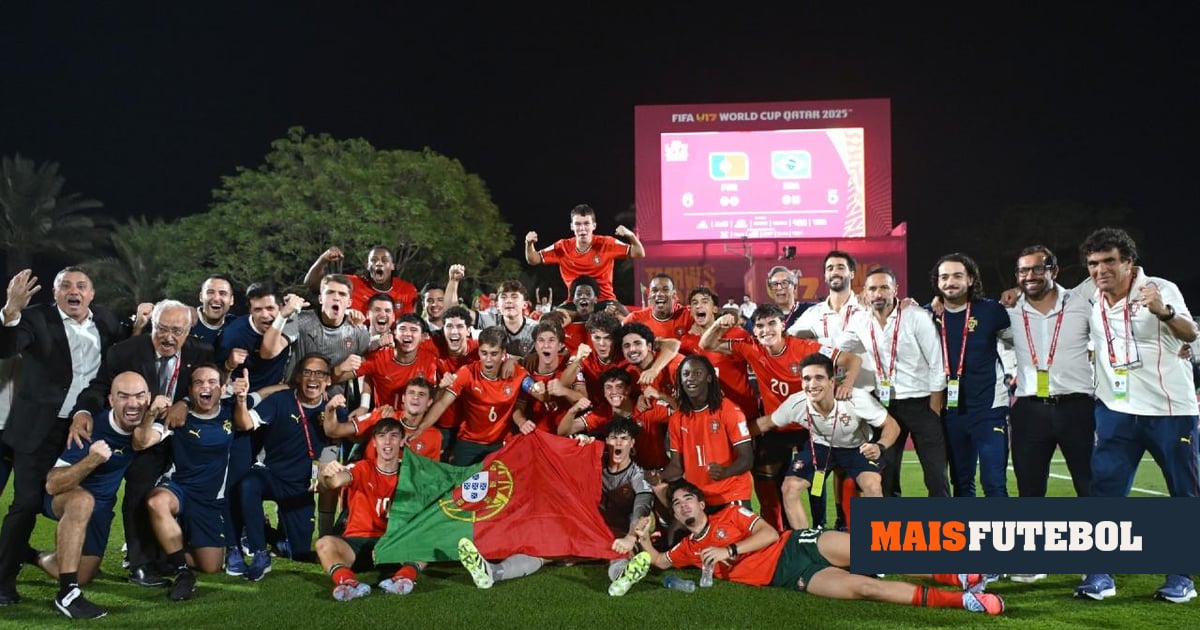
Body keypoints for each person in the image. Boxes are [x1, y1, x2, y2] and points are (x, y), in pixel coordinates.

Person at [630, 479, 1005, 615]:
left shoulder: (730, 513)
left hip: (798, 546)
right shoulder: (688, 549)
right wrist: (643, 538)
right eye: (677, 504)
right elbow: (661, 562)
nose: (683, 506)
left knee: (873, 551)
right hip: (790, 577)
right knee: (866, 587)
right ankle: (964, 601)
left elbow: (769, 535)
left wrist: (729, 552)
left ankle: (961, 574)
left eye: (687, 499)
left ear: (699, 502)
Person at [1073, 227, 1199, 603]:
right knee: (1104, 495)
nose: (1101, 270)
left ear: (1129, 262)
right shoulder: (1090, 295)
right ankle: (1100, 573)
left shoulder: (1161, 288)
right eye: (1094, 263)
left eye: (1109, 261)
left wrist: (1164, 312)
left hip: (1170, 411)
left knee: (1183, 494)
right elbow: (1052, 299)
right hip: (1116, 412)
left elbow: (1190, 333)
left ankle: (1180, 576)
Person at [69, 299, 216, 589]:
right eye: (161, 328)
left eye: (177, 330)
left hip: (166, 438)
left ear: (188, 331)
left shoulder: (201, 353)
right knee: (112, 496)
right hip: (123, 436)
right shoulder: (125, 352)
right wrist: (83, 412)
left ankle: (148, 560)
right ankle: (113, 561)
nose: (168, 337)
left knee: (147, 495)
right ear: (152, 324)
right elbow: (99, 387)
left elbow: (206, 387)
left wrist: (184, 402)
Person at [0, 267, 124, 606]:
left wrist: (85, 410)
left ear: (92, 294)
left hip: (82, 428)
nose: (74, 291)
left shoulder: (107, 322)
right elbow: (6, 347)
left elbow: (107, 374)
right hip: (37, 429)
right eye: (65, 286)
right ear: (54, 294)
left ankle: (74, 570)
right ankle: (4, 581)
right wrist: (11, 311)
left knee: (84, 498)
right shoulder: (36, 318)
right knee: (25, 504)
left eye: (81, 286)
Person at [700, 305, 861, 531]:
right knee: (766, 478)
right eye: (760, 326)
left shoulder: (804, 348)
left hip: (808, 427)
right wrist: (719, 324)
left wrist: (847, 383)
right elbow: (706, 344)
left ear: (782, 325)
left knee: (816, 479)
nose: (766, 330)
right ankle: (782, 531)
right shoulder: (751, 348)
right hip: (776, 426)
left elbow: (851, 359)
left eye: (772, 324)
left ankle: (820, 525)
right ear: (754, 331)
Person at [456, 418, 654, 597]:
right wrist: (578, 447)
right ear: (606, 440)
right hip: (582, 527)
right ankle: (492, 573)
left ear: (632, 443)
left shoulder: (637, 474)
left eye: (624, 438)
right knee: (543, 548)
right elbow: (563, 461)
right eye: (613, 438)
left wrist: (629, 537)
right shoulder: (592, 459)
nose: (618, 443)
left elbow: (643, 503)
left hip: (614, 533)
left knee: (620, 551)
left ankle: (622, 577)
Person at [37, 372, 150, 618]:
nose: (133, 403)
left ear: (148, 398)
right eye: (124, 396)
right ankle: (67, 595)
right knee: (82, 500)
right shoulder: (91, 428)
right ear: (111, 400)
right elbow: (52, 484)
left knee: (84, 574)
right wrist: (91, 461)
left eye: (140, 396)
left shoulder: (146, 427)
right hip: (67, 498)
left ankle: (26, 554)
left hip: (101, 510)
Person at [136, 365, 253, 601]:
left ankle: (164, 547)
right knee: (157, 502)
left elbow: (249, 422)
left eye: (211, 382)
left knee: (210, 566)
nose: (205, 387)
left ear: (222, 389)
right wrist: (150, 414)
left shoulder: (230, 410)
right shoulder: (178, 416)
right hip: (179, 488)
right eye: (199, 382)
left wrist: (242, 398)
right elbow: (141, 442)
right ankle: (181, 571)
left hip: (209, 501)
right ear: (190, 390)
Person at [751, 353, 900, 529]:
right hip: (821, 449)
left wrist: (879, 446)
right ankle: (806, 543)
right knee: (789, 488)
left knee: (873, 487)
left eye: (819, 378)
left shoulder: (856, 399)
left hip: (857, 448)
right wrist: (732, 434)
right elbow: (765, 423)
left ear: (832, 381)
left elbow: (892, 426)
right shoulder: (796, 403)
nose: (812, 384)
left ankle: (878, 542)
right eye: (806, 379)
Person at [838, 267, 949, 499]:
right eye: (873, 289)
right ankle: (892, 529)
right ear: (865, 294)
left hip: (922, 403)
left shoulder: (916, 316)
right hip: (884, 408)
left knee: (936, 476)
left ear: (895, 290)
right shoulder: (859, 320)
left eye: (884, 288)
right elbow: (838, 349)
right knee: (886, 476)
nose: (878, 294)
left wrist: (934, 408)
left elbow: (937, 363)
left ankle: (943, 530)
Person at [239, 353, 348, 580]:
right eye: (307, 372)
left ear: (328, 380)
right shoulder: (281, 400)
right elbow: (245, 423)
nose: (313, 378)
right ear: (299, 376)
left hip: (302, 486)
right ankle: (260, 553)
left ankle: (271, 534)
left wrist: (320, 475)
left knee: (299, 553)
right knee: (249, 484)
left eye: (320, 374)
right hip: (271, 475)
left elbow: (332, 445)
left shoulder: (334, 407)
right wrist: (241, 400)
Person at [1003, 246, 1094, 498]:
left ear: (1054, 270)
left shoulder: (1080, 303)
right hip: (1029, 411)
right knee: (1029, 490)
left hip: (1077, 408)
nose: (1029, 275)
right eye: (1023, 270)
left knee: (1090, 486)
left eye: (1037, 269)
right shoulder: (1008, 311)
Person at [930, 253, 1012, 498]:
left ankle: (1001, 535)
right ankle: (966, 535)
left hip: (989, 408)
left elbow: (1016, 341)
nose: (950, 282)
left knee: (994, 483)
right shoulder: (927, 315)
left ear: (971, 280)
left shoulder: (992, 311)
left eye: (957, 276)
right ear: (937, 282)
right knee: (961, 484)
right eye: (944, 277)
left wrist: (1017, 291)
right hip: (951, 412)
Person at [315, 418, 416, 600]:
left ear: (402, 441)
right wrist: (327, 472)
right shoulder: (363, 468)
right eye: (382, 436)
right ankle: (349, 583)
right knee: (324, 543)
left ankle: (404, 578)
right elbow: (336, 481)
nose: (387, 442)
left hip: (392, 544)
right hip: (356, 544)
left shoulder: (410, 474)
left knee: (426, 536)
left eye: (394, 436)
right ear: (374, 442)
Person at [416, 326, 530, 465]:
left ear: (503, 353)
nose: (488, 359)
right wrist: (421, 428)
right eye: (484, 353)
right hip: (469, 442)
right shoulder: (467, 372)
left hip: (501, 442)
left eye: (494, 354)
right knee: (458, 484)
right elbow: (442, 403)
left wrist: (514, 360)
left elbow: (537, 390)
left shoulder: (515, 372)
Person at [659, 355, 754, 512]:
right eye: (686, 374)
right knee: (675, 534)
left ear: (709, 378)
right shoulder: (677, 418)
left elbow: (747, 459)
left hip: (731, 495)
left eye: (697, 373)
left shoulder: (729, 410)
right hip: (699, 499)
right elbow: (677, 466)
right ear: (680, 381)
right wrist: (658, 476)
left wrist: (726, 472)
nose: (691, 378)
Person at [525, 203, 645, 311]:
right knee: (552, 320)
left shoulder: (607, 243)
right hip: (574, 302)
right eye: (578, 224)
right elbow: (533, 259)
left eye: (586, 223)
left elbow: (639, 253)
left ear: (594, 225)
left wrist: (630, 235)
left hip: (605, 301)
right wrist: (529, 244)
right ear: (572, 226)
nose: (582, 228)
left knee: (622, 318)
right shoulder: (562, 247)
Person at [679, 287, 757, 419]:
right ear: (691, 311)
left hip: (743, 412)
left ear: (715, 309)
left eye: (704, 301)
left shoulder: (737, 334)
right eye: (694, 303)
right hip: (709, 417)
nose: (699, 306)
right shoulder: (686, 343)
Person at [513, 320, 586, 434]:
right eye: (541, 340)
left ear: (560, 345)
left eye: (551, 340)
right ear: (536, 346)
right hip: (535, 435)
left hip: (564, 436)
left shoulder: (569, 367)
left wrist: (564, 391)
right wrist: (522, 422)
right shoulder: (527, 369)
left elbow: (584, 400)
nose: (546, 345)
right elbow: (518, 406)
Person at [305, 245, 419, 316]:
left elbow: (410, 324)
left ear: (393, 266)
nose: (379, 263)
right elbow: (312, 284)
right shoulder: (352, 283)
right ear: (367, 266)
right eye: (374, 260)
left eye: (384, 260)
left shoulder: (407, 290)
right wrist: (323, 259)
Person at [623, 273, 694, 342]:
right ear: (650, 295)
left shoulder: (689, 315)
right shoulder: (635, 319)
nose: (659, 294)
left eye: (665, 290)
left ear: (674, 294)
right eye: (655, 290)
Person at [743, 265, 809, 334]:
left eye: (784, 283)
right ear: (771, 290)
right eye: (775, 284)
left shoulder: (810, 311)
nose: (779, 288)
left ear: (795, 287)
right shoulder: (760, 316)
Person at [191, 274, 237, 346]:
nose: (216, 298)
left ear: (231, 300)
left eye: (223, 293)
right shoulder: (184, 321)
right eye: (210, 292)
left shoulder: (237, 327)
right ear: (201, 297)